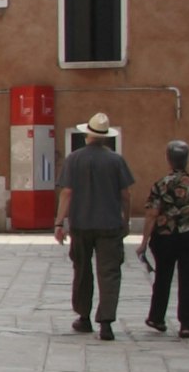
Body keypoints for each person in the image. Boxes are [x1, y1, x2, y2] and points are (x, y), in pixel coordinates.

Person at [56, 113, 135, 339]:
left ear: (87, 134)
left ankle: (83, 317)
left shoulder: (74, 159)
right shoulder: (116, 160)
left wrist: (59, 222)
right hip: (110, 224)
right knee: (109, 273)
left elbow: (67, 193)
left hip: (81, 224)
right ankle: (106, 322)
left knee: (82, 270)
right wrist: (125, 220)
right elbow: (126, 195)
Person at [142, 140, 189, 337]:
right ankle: (187, 324)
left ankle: (156, 317)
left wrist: (143, 241)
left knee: (163, 277)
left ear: (168, 159)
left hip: (166, 236)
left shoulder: (161, 185)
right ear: (187, 159)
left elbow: (152, 213)